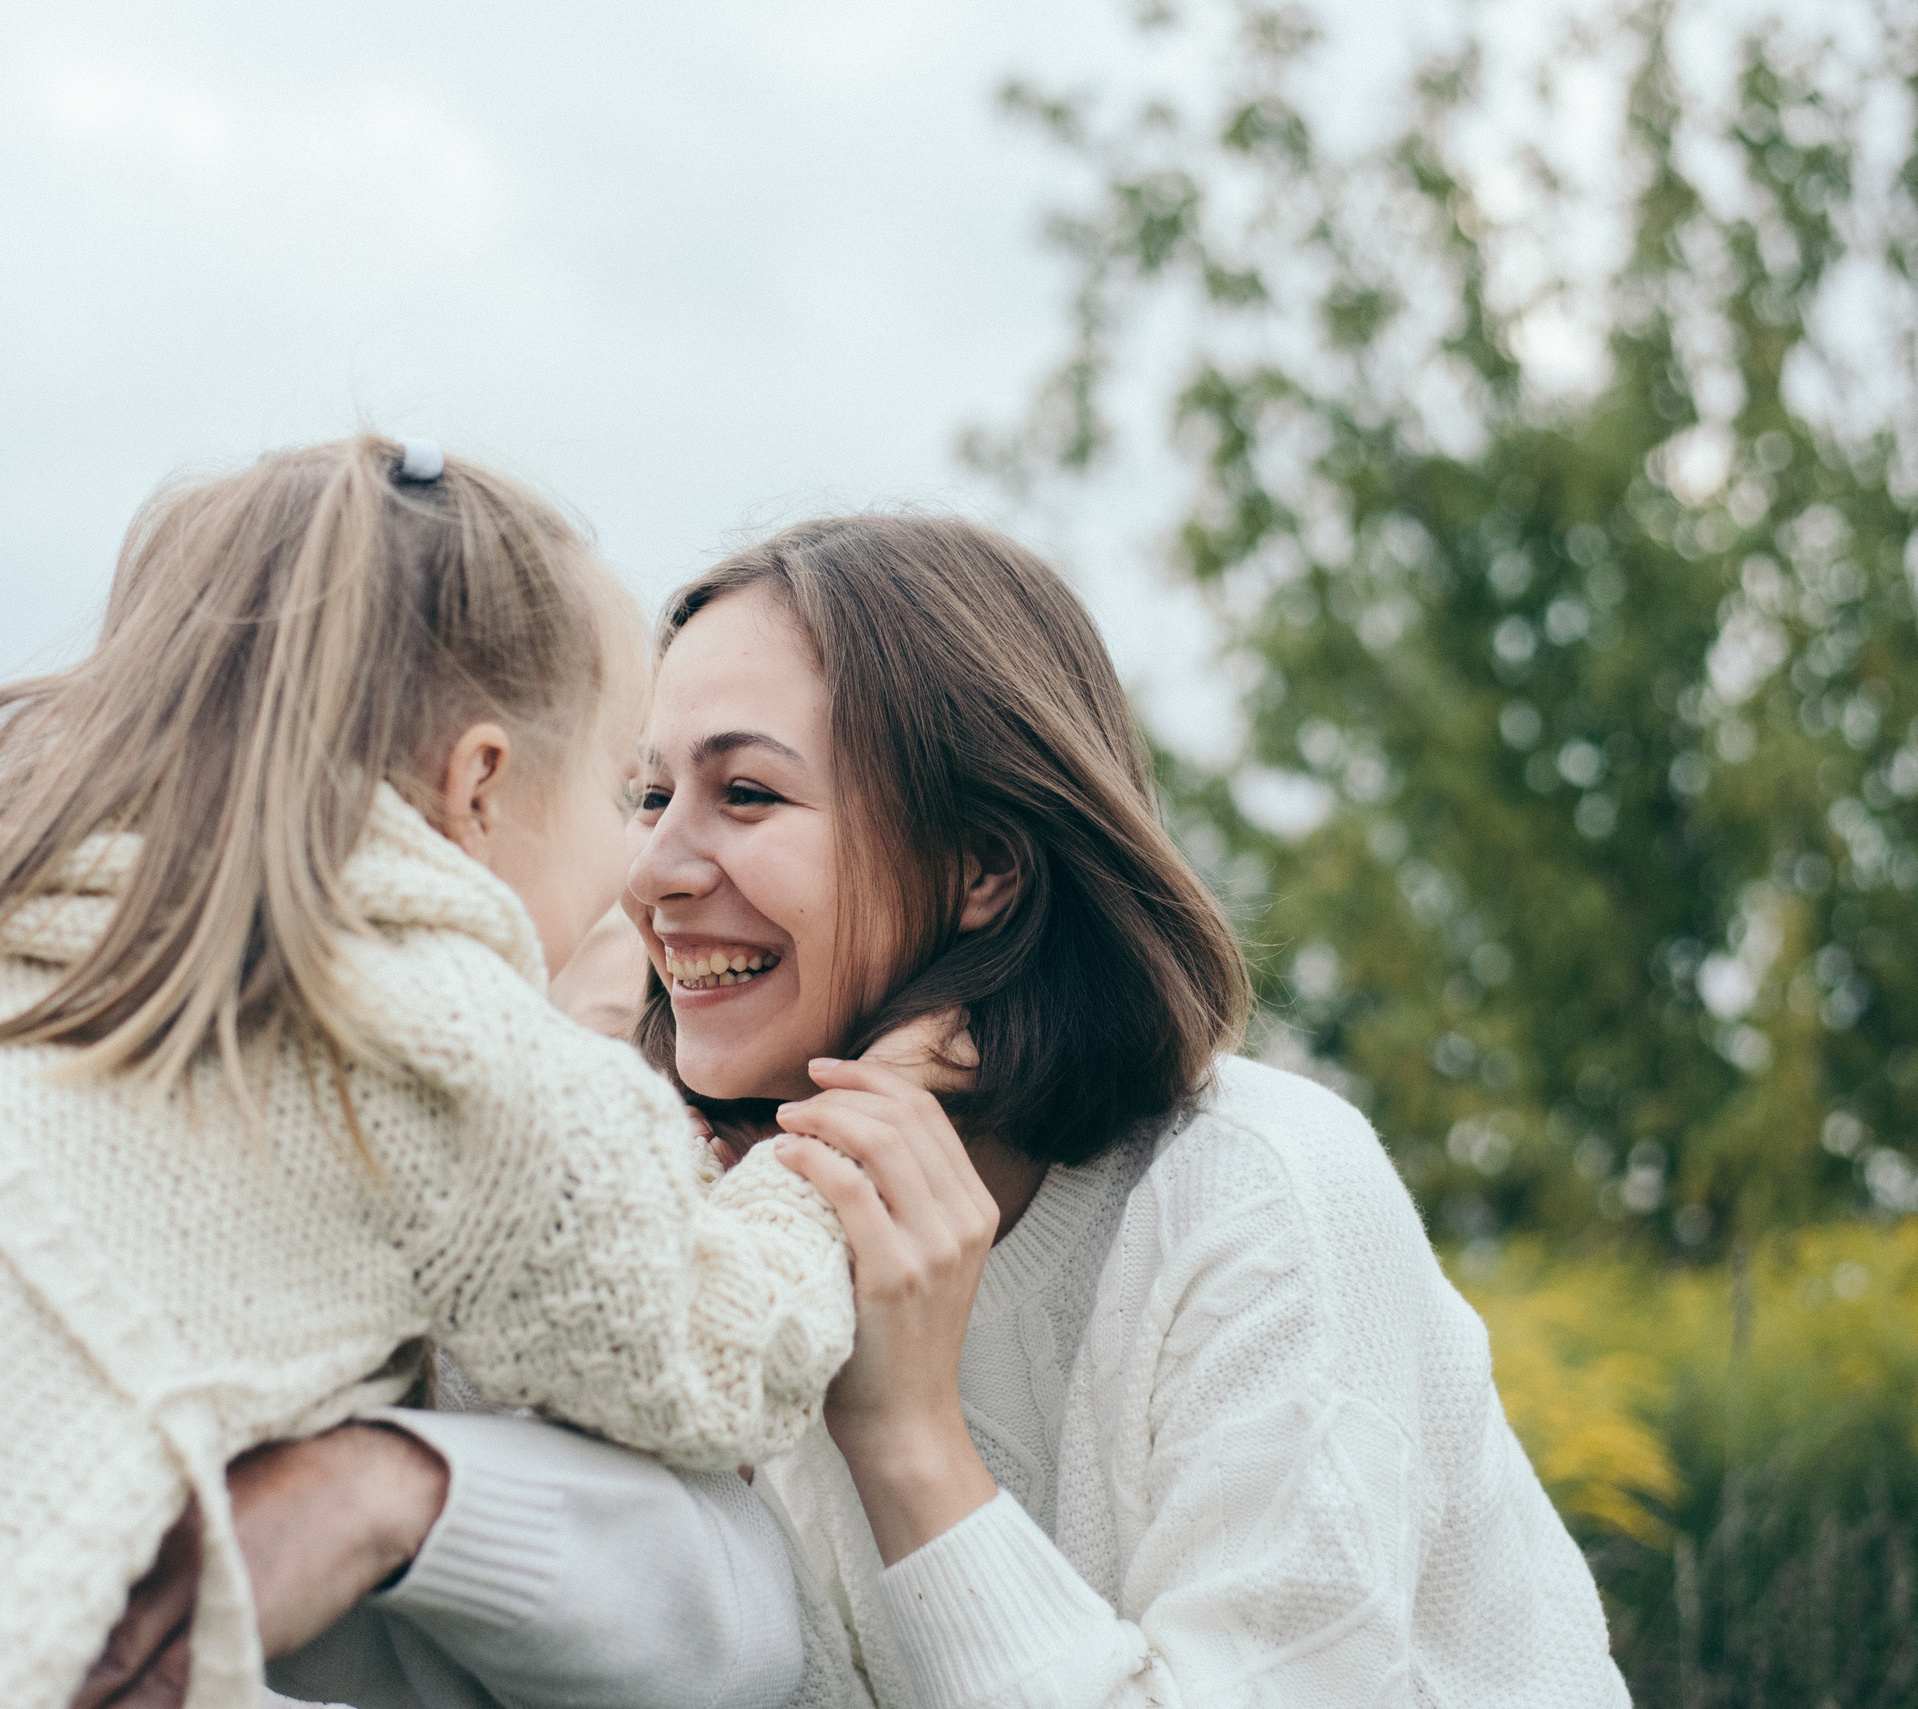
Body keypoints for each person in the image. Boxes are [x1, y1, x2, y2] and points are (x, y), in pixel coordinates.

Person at [0, 437, 853, 1709]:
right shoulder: (468, 1077)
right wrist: (803, 1186)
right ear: (479, 784)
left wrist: (389, 1490)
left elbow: (733, 1617)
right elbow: (723, 1350)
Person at [622, 514, 1632, 1707]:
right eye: (646, 796)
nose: (651, 872)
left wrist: (907, 1438)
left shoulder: (1263, 1190)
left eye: (745, 792)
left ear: (984, 864)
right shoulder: (751, 1241)